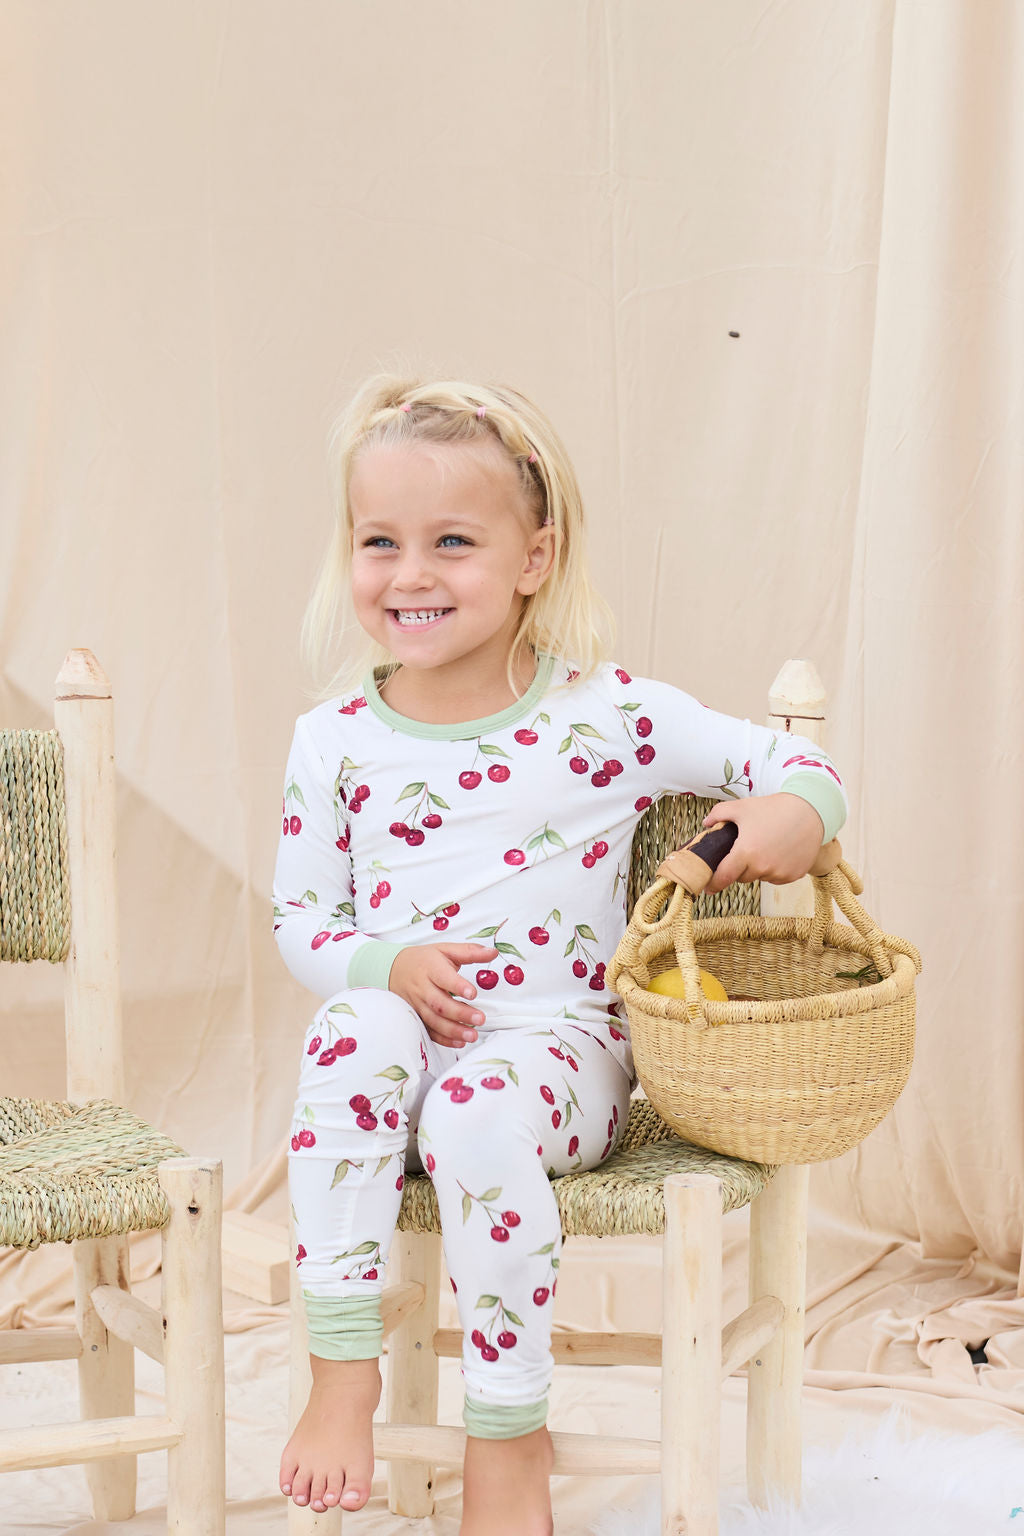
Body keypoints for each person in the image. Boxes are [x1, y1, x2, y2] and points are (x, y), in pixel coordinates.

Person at [273, 376, 847, 1533]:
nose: (409, 574)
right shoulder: (333, 738)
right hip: (396, 1053)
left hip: (554, 1058)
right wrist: (384, 965)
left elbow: (802, 769)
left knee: (478, 1110)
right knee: (348, 1030)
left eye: (451, 542)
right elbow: (302, 924)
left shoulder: (606, 716)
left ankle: (508, 1430)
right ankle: (341, 1369)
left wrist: (795, 814)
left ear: (534, 557)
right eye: (378, 541)